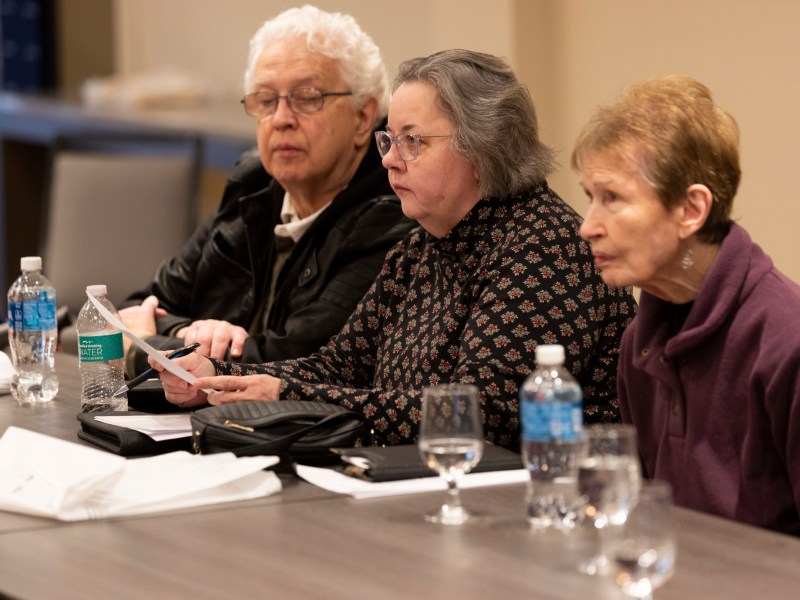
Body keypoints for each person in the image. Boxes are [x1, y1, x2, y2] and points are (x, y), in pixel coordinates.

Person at [153, 49, 637, 450]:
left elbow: (482, 413)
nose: (388, 159)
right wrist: (220, 374)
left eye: (413, 142)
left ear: (483, 147)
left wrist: (281, 391)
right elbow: (339, 366)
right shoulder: (422, 247)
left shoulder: (543, 248)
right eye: (390, 139)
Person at [119, 5, 415, 377]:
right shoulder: (253, 185)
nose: (281, 119)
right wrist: (188, 333)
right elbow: (136, 308)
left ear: (362, 118)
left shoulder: (392, 211)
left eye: (308, 98)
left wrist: (153, 344)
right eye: (265, 100)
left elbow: (301, 356)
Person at [572, 75, 800, 535]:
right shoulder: (640, 341)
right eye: (589, 199)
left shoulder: (786, 341)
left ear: (691, 210)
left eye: (612, 198)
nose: (587, 227)